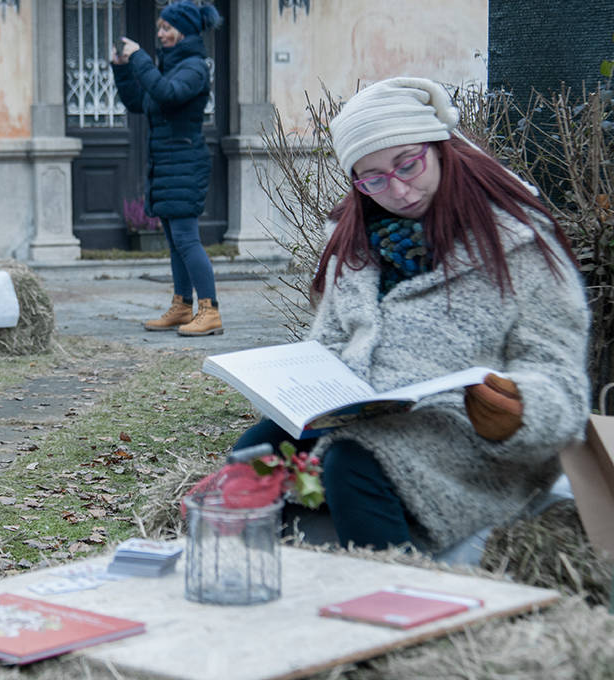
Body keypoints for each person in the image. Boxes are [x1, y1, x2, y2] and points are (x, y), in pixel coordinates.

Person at [232, 77, 590, 555]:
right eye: (374, 178)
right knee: (250, 456)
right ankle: (242, 574)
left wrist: (516, 408)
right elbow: (329, 346)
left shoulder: (520, 243)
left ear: (440, 148)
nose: (398, 189)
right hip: (369, 417)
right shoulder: (354, 244)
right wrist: (296, 388)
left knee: (351, 464)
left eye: (408, 164)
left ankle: (400, 598)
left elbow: (562, 382)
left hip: (469, 440)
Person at [111, 0, 224, 336]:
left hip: (185, 162)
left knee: (187, 239)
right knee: (176, 241)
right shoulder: (169, 67)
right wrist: (121, 67)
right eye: (159, 28)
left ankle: (210, 310)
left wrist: (140, 58)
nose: (160, 34)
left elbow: (168, 94)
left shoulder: (194, 67)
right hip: (168, 162)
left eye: (166, 28)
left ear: (184, 30)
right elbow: (140, 101)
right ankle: (182, 306)